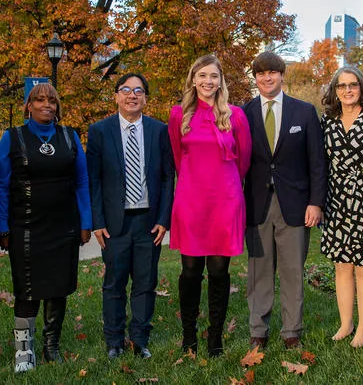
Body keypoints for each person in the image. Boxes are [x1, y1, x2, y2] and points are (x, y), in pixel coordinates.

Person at [0, 83, 92, 373]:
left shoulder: (69, 136)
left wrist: (85, 222)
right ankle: (25, 351)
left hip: (63, 226)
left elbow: (82, 181)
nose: (46, 105)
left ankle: (52, 347)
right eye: (39, 100)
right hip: (25, 226)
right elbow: (0, 185)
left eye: (51, 100)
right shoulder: (12, 138)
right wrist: (2, 225)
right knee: (27, 288)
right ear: (29, 106)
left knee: (58, 287)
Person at [86, 73, 175, 360]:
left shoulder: (159, 131)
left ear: (145, 98)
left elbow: (166, 178)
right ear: (116, 95)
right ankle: (114, 340)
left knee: (145, 283)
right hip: (114, 223)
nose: (132, 95)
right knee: (114, 283)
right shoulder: (99, 131)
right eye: (126, 90)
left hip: (149, 222)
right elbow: (94, 180)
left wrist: (164, 218)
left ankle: (140, 339)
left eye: (138, 90)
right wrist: (97, 221)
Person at [242, 51, 327, 350]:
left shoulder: (303, 113)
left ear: (282, 75)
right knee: (259, 271)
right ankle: (258, 330)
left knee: (292, 271)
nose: (267, 78)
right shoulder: (244, 113)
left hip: (295, 205)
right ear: (255, 78)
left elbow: (317, 162)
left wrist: (316, 202)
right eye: (261, 73)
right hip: (257, 205)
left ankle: (292, 331)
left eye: (273, 73)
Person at [168, 54, 252, 356]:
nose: (208, 81)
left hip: (225, 201)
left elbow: (244, 161)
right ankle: (189, 336)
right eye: (202, 75)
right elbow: (178, 159)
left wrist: (225, 187)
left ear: (221, 81)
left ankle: (214, 337)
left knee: (219, 271)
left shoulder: (236, 116)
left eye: (213, 76)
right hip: (191, 201)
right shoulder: (179, 114)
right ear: (193, 79)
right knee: (190, 271)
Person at [320, 67, 363, 348]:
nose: (347, 90)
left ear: (362, 88)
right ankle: (346, 323)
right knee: (341, 265)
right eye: (342, 86)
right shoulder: (328, 121)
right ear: (335, 91)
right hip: (336, 200)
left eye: (353, 85)